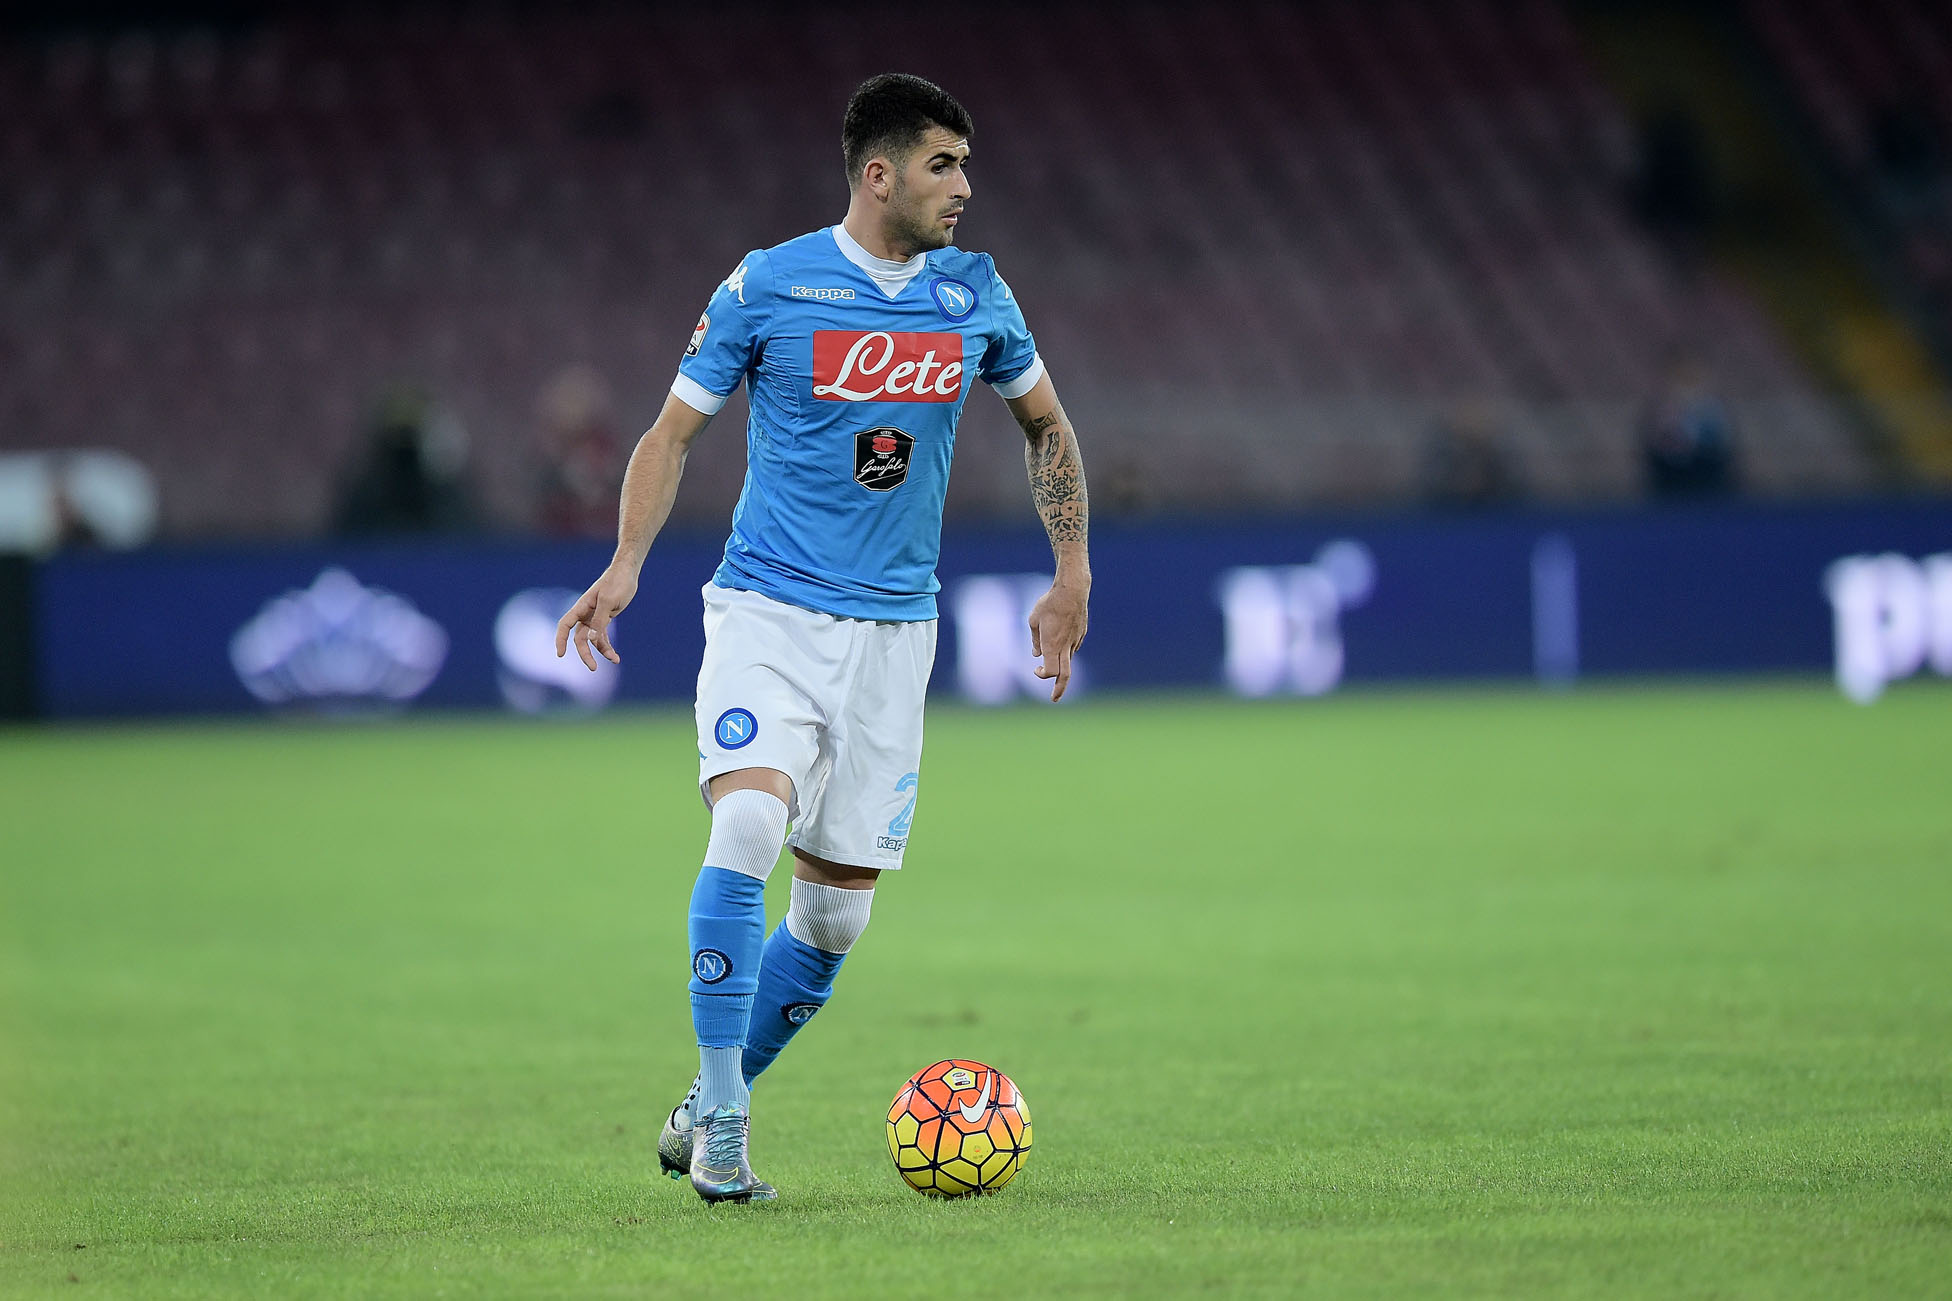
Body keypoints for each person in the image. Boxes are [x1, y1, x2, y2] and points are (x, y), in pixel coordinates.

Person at [554, 73, 1091, 1204]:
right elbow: (670, 434)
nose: (964, 185)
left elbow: (1045, 425)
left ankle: (705, 1097)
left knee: (834, 913)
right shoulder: (768, 283)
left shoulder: (974, 295)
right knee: (747, 819)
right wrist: (625, 564)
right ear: (878, 172)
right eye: (943, 163)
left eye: (966, 163)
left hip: (895, 636)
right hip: (767, 611)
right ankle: (729, 1128)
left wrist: (1070, 567)